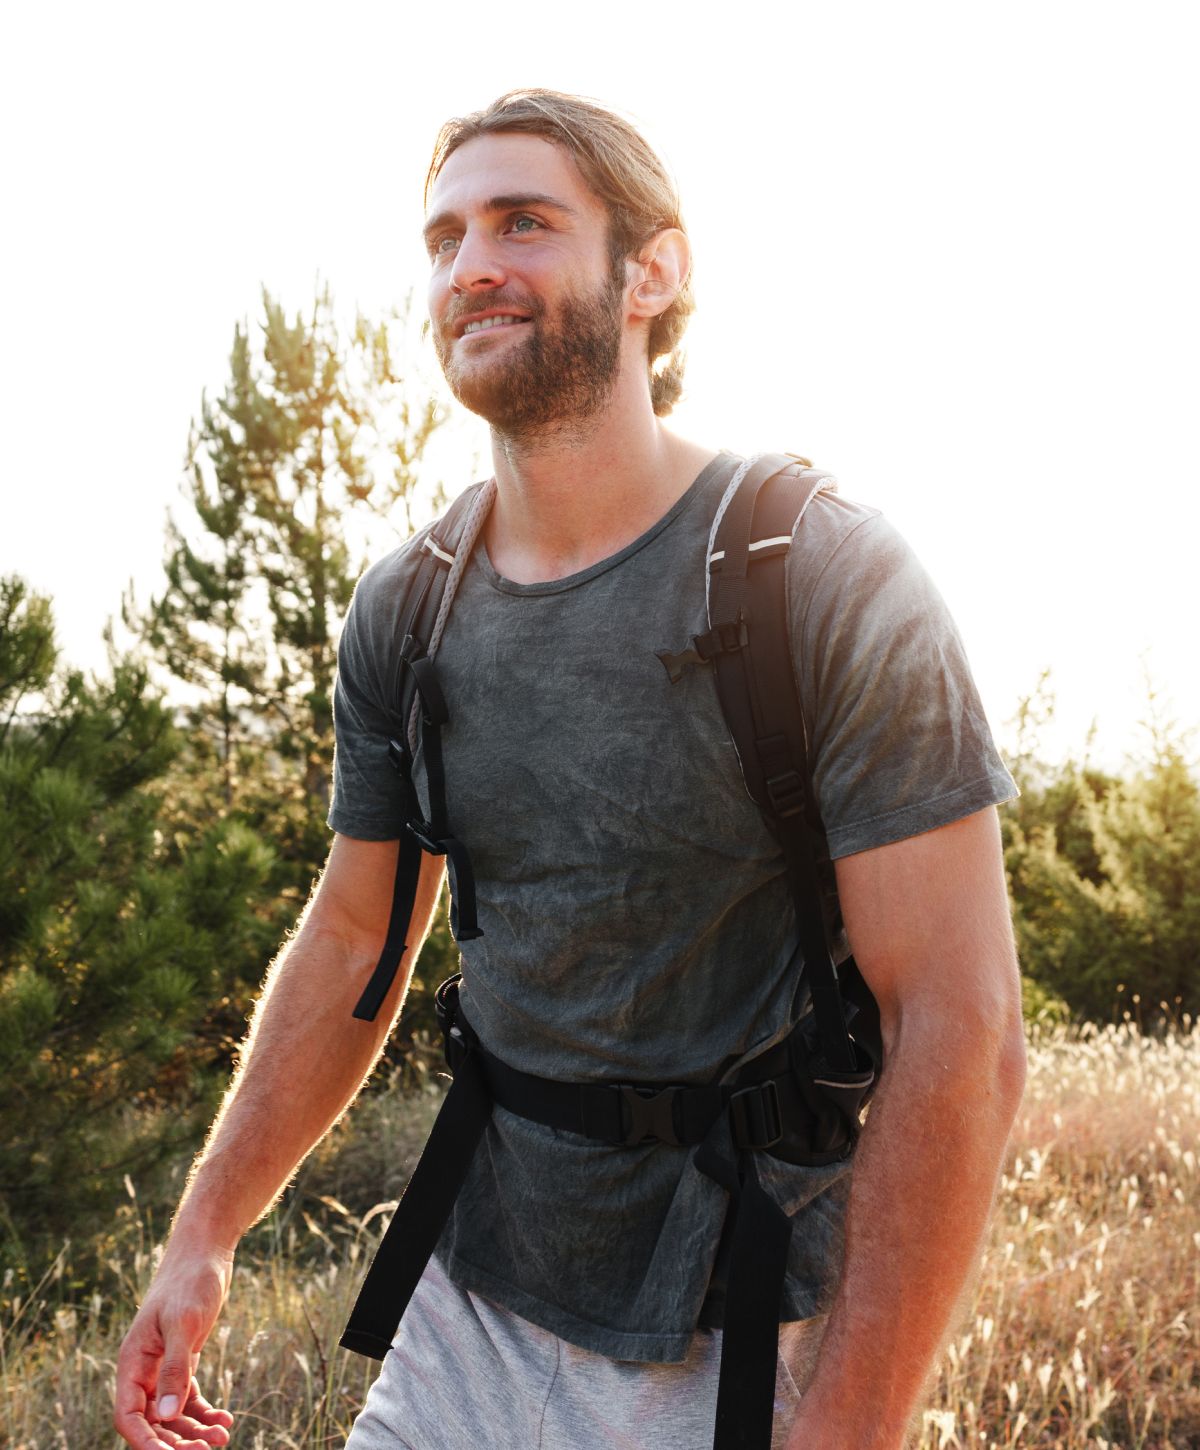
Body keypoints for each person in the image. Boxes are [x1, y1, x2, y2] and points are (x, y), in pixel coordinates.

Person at [114, 89, 1027, 1450]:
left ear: (653, 272)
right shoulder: (409, 611)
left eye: (524, 221)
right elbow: (356, 936)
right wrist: (203, 1230)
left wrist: (848, 1423)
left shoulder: (820, 577)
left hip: (738, 1325)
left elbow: (962, 1029)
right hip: (469, 1305)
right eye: (444, 235)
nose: (469, 263)